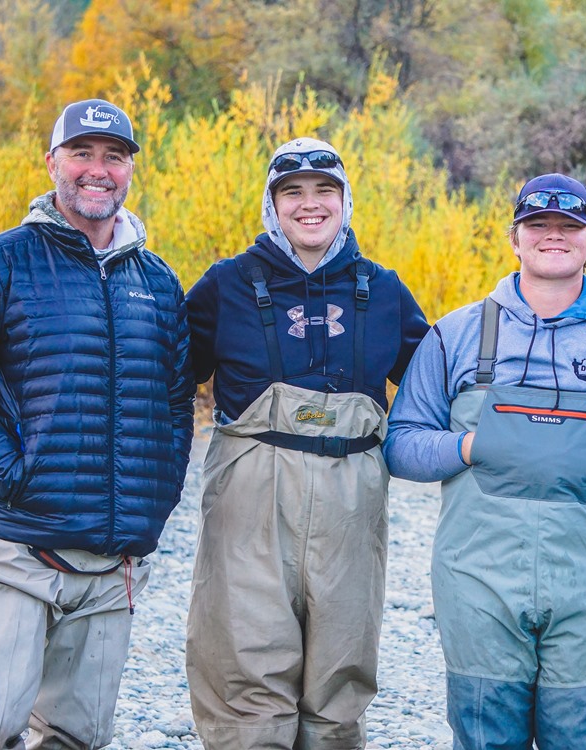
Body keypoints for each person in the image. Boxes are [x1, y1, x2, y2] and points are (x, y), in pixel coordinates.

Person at [0, 98, 195, 750]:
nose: (97, 170)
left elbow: (176, 404)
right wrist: (18, 477)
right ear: (52, 163)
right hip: (11, 549)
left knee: (74, 739)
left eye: (114, 157)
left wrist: (154, 503)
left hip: (110, 566)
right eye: (81, 153)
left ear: (130, 170)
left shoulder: (156, 282)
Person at [384, 173, 586, 749]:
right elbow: (401, 446)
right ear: (513, 239)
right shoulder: (455, 335)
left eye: (569, 226)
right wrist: (468, 447)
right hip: (478, 579)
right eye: (537, 225)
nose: (553, 236)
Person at [183, 137, 429, 750]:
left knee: (340, 668)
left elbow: (436, 386)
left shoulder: (384, 289)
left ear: (347, 201)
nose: (310, 205)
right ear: (271, 204)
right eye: (292, 192)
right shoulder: (226, 285)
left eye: (326, 191)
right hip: (251, 496)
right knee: (247, 659)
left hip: (353, 498)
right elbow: (162, 383)